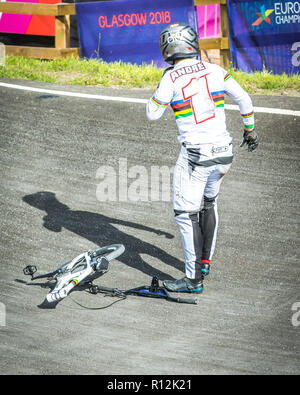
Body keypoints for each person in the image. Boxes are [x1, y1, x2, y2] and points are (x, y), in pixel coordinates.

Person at [146, 23, 258, 294]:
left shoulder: (170, 77)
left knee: (185, 214)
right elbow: (244, 99)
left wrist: (162, 91)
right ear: (193, 44)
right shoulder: (215, 69)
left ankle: (193, 280)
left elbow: (152, 113)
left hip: (195, 155)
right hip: (224, 153)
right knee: (209, 203)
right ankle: (204, 263)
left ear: (166, 48)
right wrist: (250, 130)